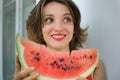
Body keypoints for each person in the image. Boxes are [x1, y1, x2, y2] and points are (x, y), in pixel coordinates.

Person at [13, 0, 107, 80]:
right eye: (49, 20)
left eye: (66, 19)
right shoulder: (27, 70)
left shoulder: (96, 67)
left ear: (74, 28)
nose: (58, 28)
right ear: (40, 29)